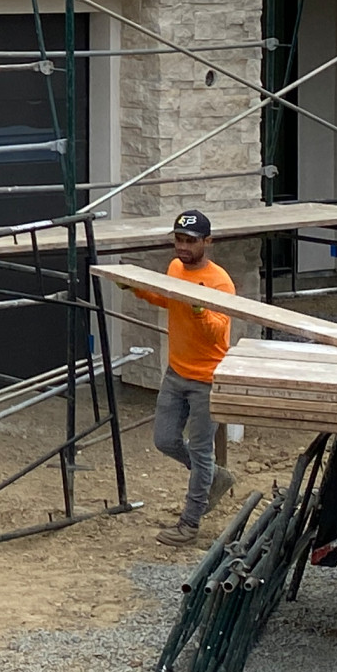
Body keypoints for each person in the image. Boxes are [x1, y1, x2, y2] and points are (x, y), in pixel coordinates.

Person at [124, 208, 237, 546]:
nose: (183, 247)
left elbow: (220, 334)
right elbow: (168, 299)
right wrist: (137, 288)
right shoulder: (175, 268)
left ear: (207, 242)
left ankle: (189, 524)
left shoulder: (220, 282)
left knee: (201, 451)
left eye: (191, 241)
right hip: (176, 372)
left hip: (207, 378)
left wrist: (200, 309)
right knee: (165, 440)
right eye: (179, 240)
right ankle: (215, 477)